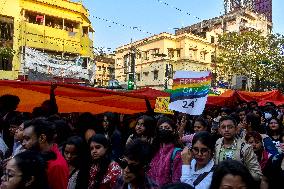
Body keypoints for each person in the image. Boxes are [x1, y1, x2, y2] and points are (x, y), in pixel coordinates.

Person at [22, 118, 69, 189]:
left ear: (42, 138)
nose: (23, 143)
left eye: (27, 139)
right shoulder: (36, 156)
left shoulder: (56, 165)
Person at [214, 116, 262, 181]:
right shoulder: (217, 145)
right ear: (219, 130)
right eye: (223, 127)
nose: (226, 130)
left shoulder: (245, 148)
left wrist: (239, 175)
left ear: (236, 129)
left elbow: (257, 174)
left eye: (230, 127)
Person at [148, 116, 183, 186]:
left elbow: (176, 182)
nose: (163, 130)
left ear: (173, 131)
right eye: (161, 128)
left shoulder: (177, 153)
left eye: (167, 128)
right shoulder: (155, 149)